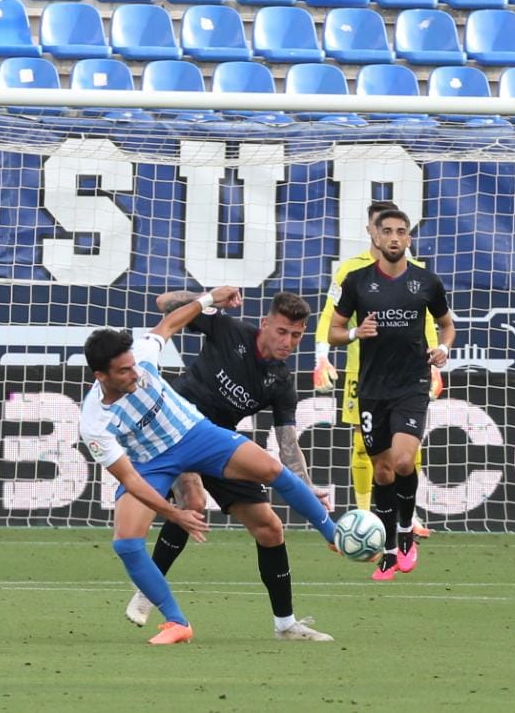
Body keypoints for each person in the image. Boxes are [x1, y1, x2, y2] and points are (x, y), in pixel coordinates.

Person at [79, 288, 342, 646]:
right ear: (100, 375)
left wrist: (208, 298)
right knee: (130, 540)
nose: (136, 374)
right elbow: (129, 478)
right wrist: (173, 514)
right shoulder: (94, 422)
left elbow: (168, 324)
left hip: (197, 434)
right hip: (151, 459)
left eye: (296, 335)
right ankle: (174, 618)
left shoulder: (279, 380)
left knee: (269, 517)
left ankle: (325, 550)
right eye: (124, 371)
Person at [325, 208, 455, 582]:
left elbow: (447, 326)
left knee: (401, 461)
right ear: (376, 238)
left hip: (411, 384)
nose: (395, 238)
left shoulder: (426, 282)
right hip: (371, 388)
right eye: (388, 232)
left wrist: (444, 350)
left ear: (409, 239)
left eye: (402, 232)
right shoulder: (356, 281)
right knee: (381, 470)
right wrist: (354, 334)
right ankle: (385, 551)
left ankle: (405, 533)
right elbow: (334, 329)